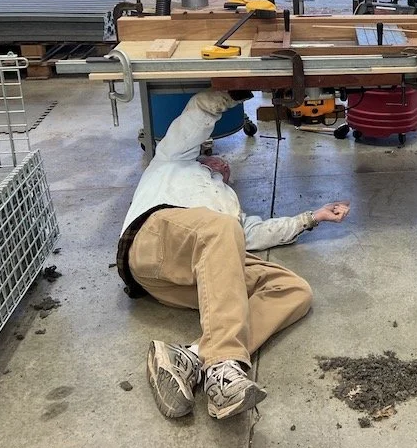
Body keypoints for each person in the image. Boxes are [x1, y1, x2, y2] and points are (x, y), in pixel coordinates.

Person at [115, 89, 350, 421]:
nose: (222, 169)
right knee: (224, 229)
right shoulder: (174, 159)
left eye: (226, 175)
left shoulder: (229, 205)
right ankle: (225, 365)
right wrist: (235, 89)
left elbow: (260, 232)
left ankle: (191, 359)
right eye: (215, 166)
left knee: (294, 290)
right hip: (153, 242)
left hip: (192, 276)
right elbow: (198, 113)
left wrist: (313, 217)